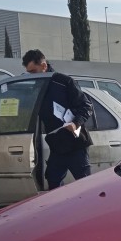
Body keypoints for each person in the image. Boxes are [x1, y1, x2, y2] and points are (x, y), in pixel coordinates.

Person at [22, 49, 93, 190]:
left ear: (44, 66)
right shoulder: (36, 86)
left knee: (86, 185)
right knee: (53, 183)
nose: (31, 75)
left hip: (74, 143)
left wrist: (75, 123)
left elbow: (86, 106)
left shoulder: (64, 82)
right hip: (56, 144)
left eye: (34, 71)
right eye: (29, 72)